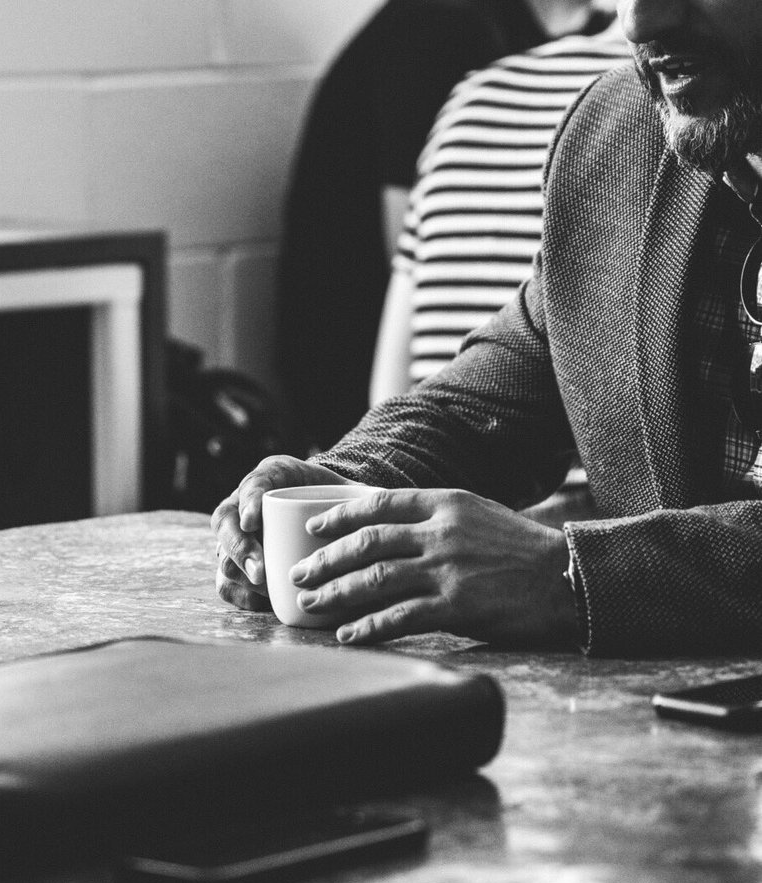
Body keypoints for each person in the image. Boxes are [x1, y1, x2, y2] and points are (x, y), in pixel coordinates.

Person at [214, 0, 762, 659]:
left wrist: (571, 578)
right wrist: (334, 490)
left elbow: (570, 572)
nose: (638, 23)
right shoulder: (618, 137)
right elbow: (483, 406)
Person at [275, 0, 611, 455]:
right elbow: (403, 240)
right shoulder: (440, 29)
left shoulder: (476, 88)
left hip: (406, 430)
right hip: (343, 375)